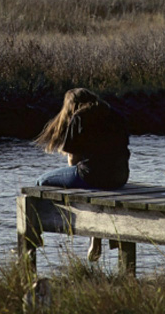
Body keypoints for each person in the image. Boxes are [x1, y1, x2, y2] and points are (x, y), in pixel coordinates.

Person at [34, 88, 130, 261]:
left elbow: (73, 160)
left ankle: (35, 235)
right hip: (120, 177)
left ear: (72, 105)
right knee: (96, 188)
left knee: (41, 182)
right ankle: (98, 235)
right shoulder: (116, 115)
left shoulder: (80, 117)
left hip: (92, 175)